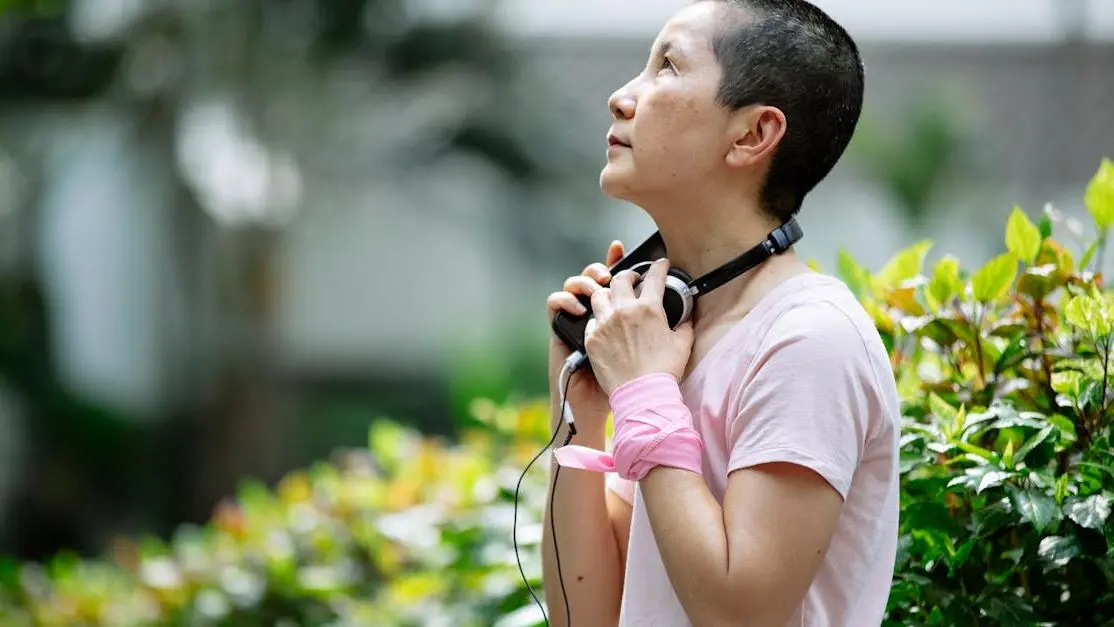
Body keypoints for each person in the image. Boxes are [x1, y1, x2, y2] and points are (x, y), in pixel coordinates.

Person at [540, 0, 901, 625]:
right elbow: (587, 616)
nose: (622, 97)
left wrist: (646, 392)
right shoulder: (666, 336)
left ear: (752, 134)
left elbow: (738, 612)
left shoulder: (809, 340)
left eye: (668, 68)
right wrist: (579, 412)